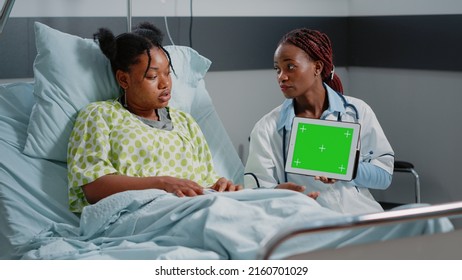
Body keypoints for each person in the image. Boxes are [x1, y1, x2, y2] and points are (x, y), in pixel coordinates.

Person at [67, 22, 241, 213]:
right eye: (152, 76)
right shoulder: (99, 115)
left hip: (197, 207)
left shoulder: (186, 123)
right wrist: (162, 184)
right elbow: (93, 186)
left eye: (168, 73)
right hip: (140, 214)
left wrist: (221, 186)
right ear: (124, 79)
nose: (165, 83)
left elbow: (205, 180)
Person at [244, 28, 394, 215]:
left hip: (362, 216)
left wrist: (345, 169)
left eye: (290, 67)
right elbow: (254, 192)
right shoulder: (266, 128)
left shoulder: (356, 112)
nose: (281, 77)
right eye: (277, 69)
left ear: (317, 67)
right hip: (305, 221)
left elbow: (384, 177)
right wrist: (278, 194)